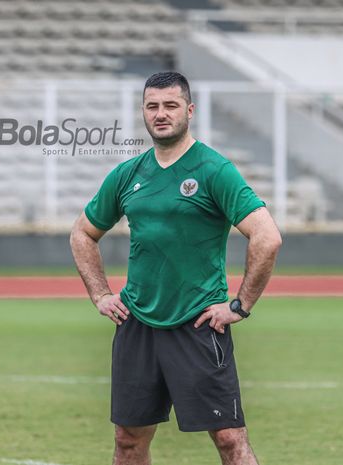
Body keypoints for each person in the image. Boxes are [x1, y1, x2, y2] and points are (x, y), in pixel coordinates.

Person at [70, 71, 282, 465]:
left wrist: (239, 306)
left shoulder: (214, 170)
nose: (161, 114)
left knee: (229, 439)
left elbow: (267, 237)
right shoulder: (127, 175)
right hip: (137, 324)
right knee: (128, 441)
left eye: (170, 105)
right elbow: (82, 233)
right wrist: (100, 294)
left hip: (198, 325)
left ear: (189, 110)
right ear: (143, 113)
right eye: (153, 106)